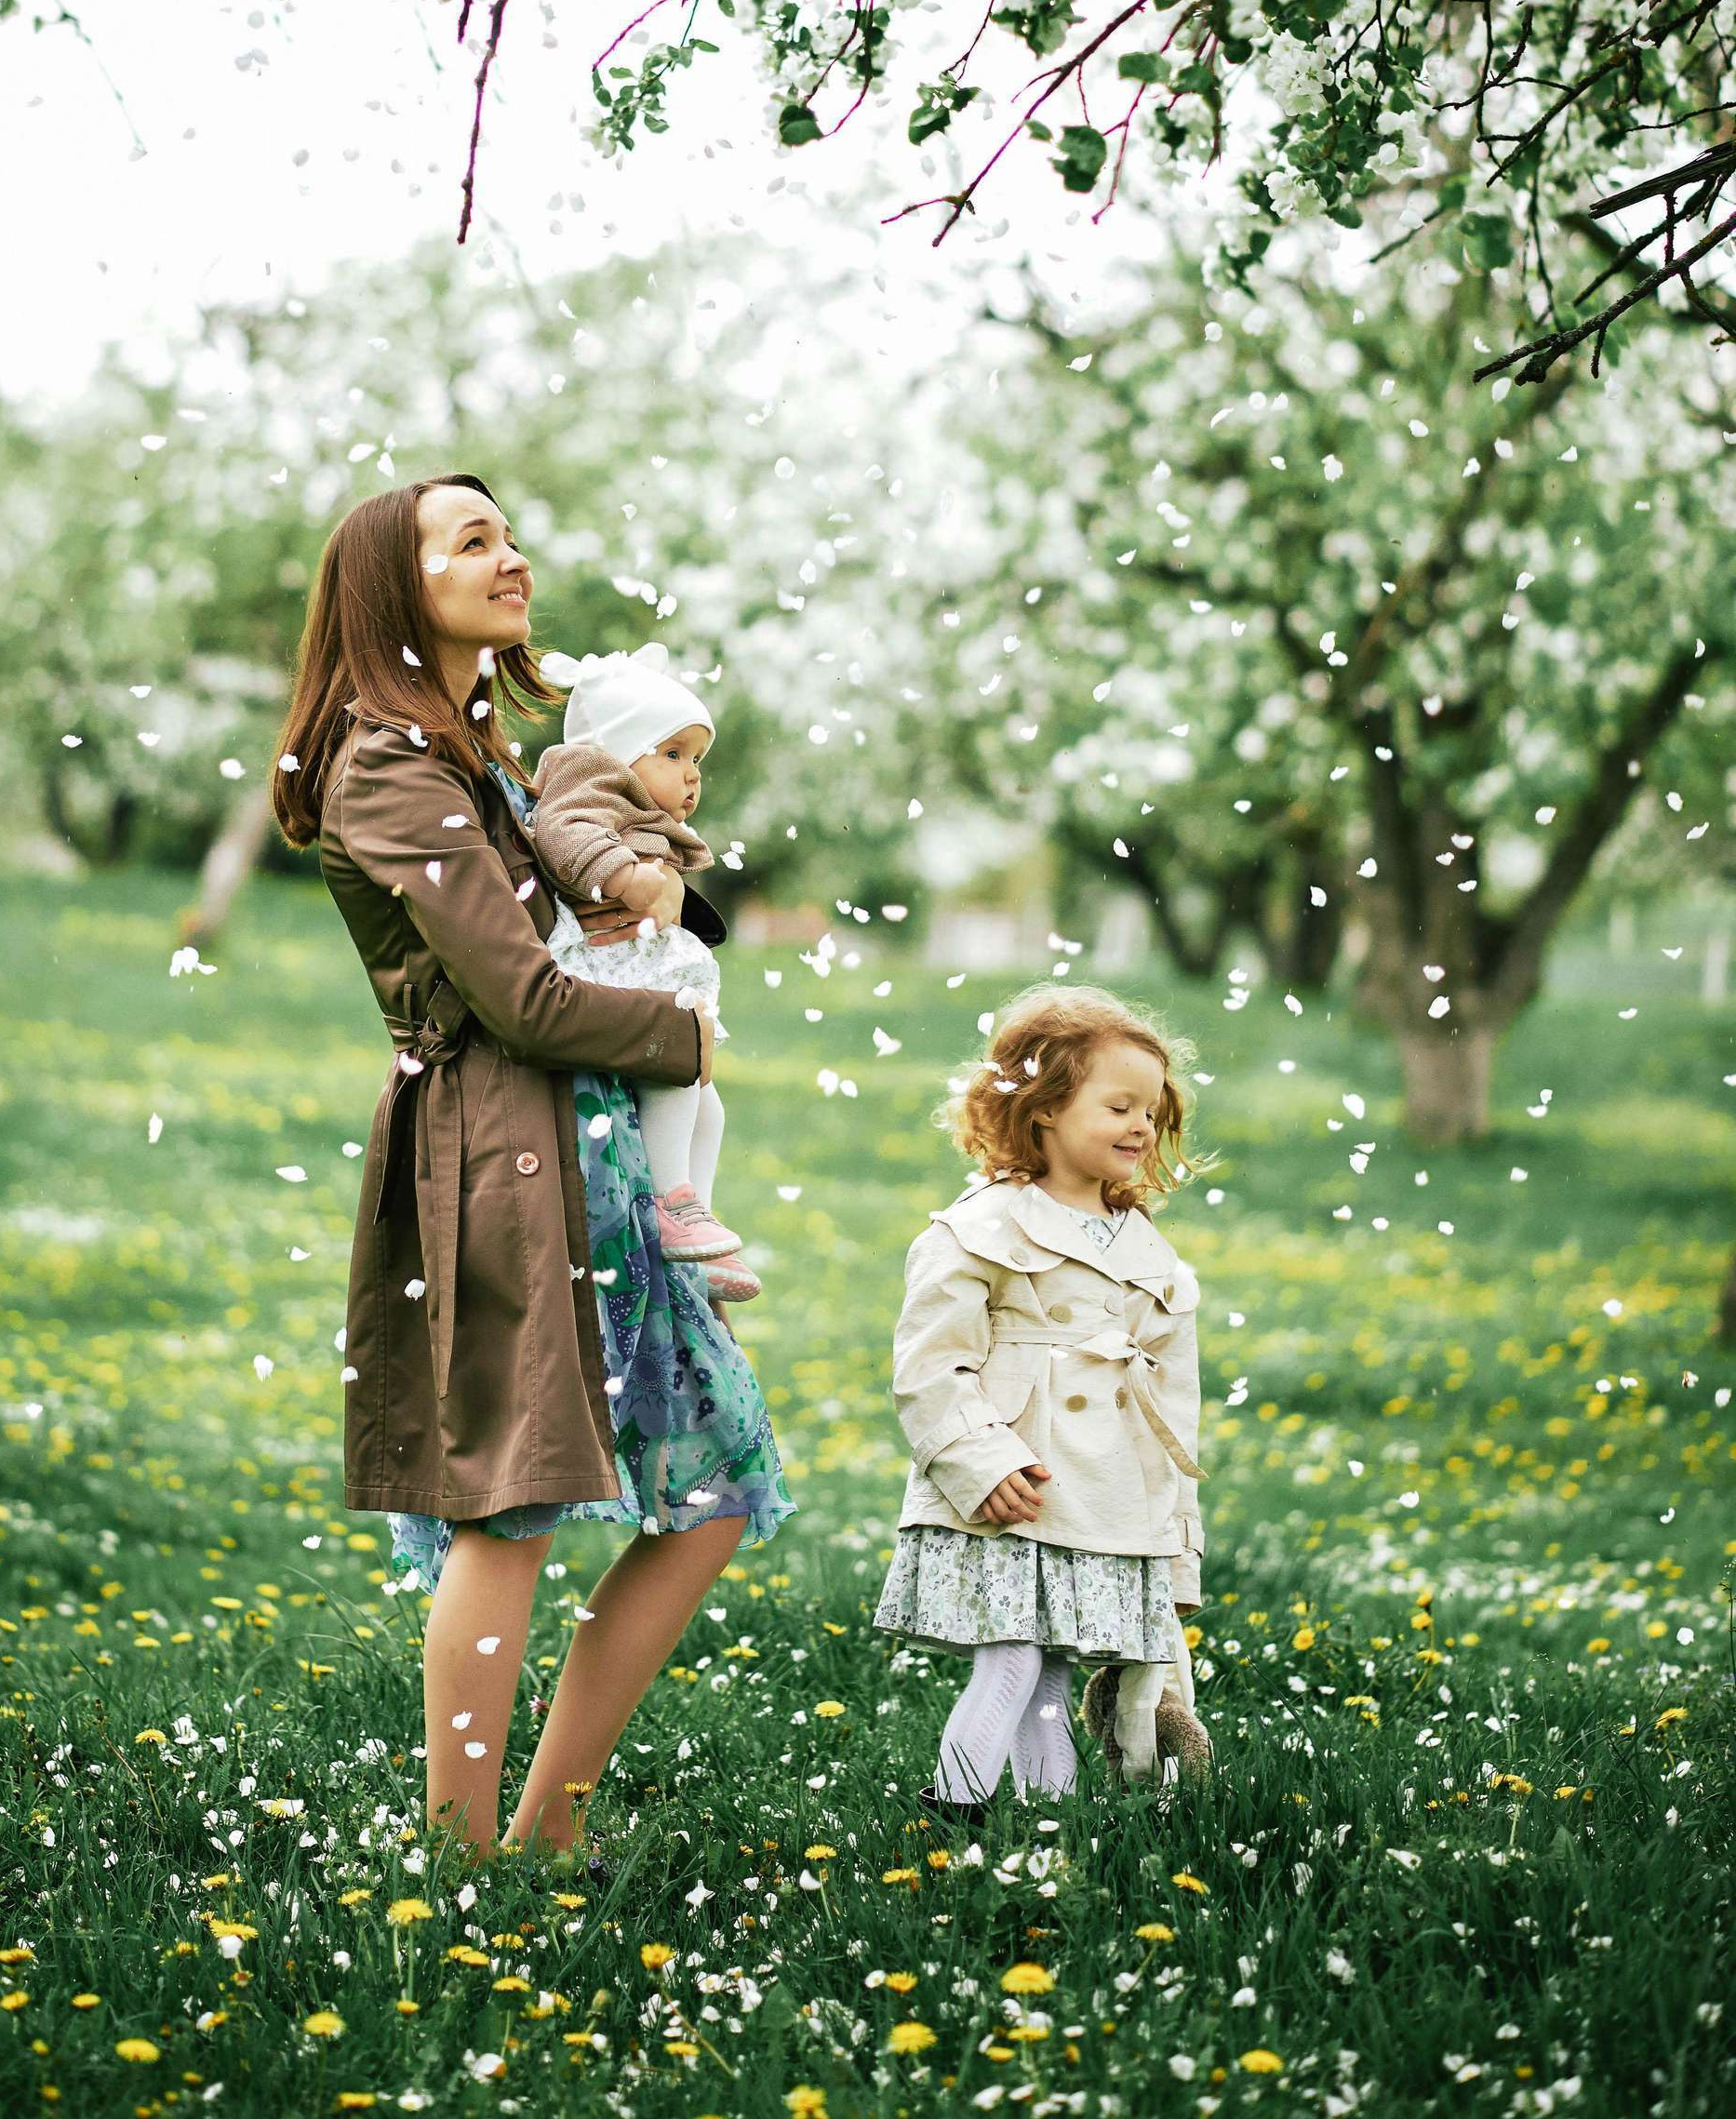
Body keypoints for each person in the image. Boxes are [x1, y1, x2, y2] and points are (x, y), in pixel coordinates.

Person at [271, 473, 794, 1867]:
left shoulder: (483, 745)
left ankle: (551, 1822)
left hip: (603, 1157)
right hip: (495, 1155)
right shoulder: (382, 764)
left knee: (715, 1489)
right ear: (398, 584)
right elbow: (522, 1002)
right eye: (473, 540)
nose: (511, 557)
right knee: (509, 1505)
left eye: (510, 533)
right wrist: (689, 1031)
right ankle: (459, 1852)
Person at [873, 984, 1212, 1814]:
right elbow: (931, 1362)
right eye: (1119, 1104)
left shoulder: (1149, 1252)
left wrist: (1176, 1532)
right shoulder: (982, 1227)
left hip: (1104, 1493)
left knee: (1053, 1662)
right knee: (1015, 1654)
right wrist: (978, 1458)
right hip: (1013, 1483)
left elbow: (1173, 1408)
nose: (1141, 1126)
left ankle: (1046, 1818)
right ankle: (955, 1802)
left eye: (1152, 1112)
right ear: (1045, 1106)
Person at [529, 642, 757, 1302]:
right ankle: (670, 1199)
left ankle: (695, 1225)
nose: (692, 777)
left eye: (697, 760)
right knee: (675, 1074)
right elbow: (561, 831)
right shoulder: (587, 782)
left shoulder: (634, 806)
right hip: (603, 967)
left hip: (634, 966)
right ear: (618, 750)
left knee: (705, 1108)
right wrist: (626, 874)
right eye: (674, 753)